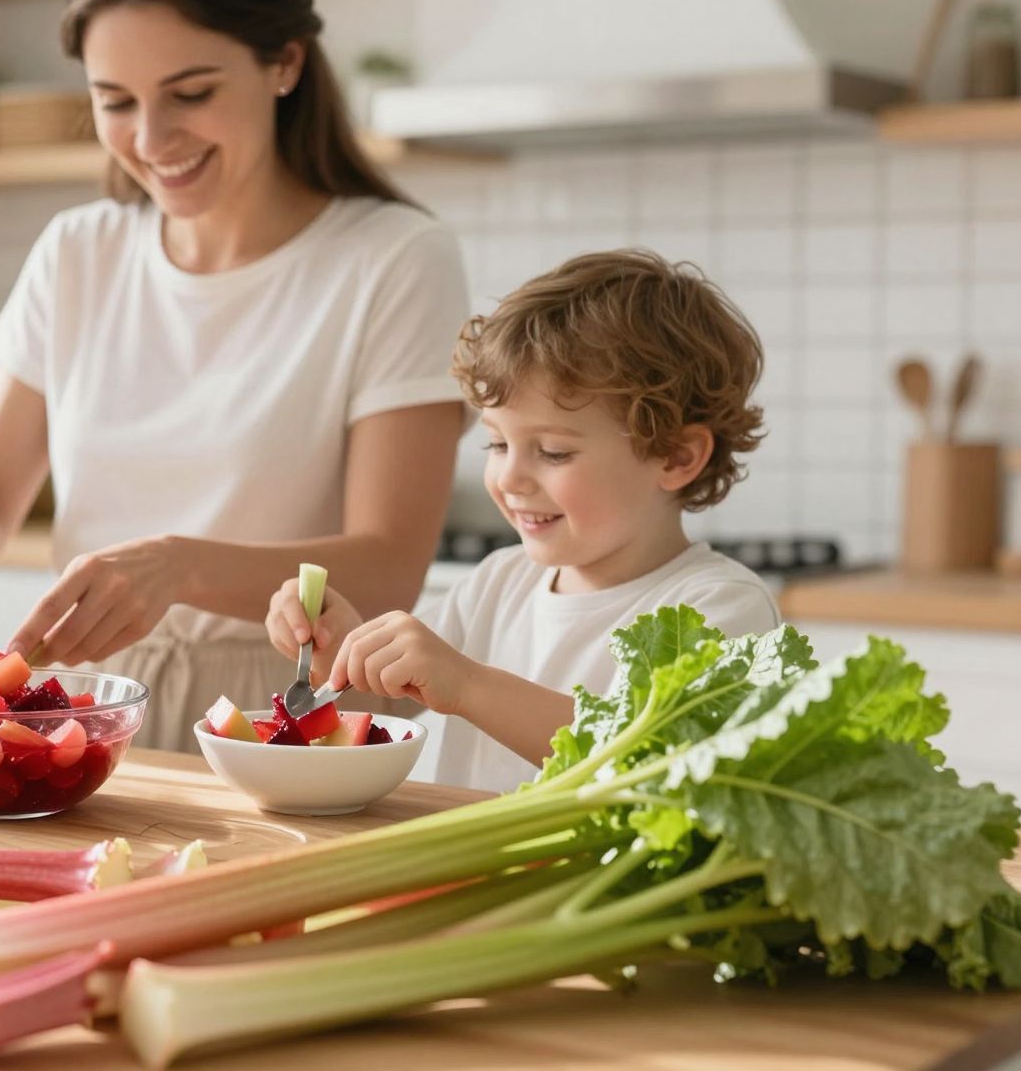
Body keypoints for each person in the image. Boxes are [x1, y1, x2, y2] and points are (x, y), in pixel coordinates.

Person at [0, 0, 471, 750]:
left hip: (291, 717)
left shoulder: (396, 259)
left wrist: (180, 568)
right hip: (91, 713)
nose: (151, 140)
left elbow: (388, 565)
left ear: (285, 62)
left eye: (190, 93)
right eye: (115, 101)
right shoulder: (78, 251)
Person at [268, 249, 780, 792]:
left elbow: (656, 764)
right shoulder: (499, 581)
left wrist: (468, 685)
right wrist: (339, 646)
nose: (509, 478)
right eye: (496, 443)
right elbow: (396, 692)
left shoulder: (720, 608)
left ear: (677, 457)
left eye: (554, 452)